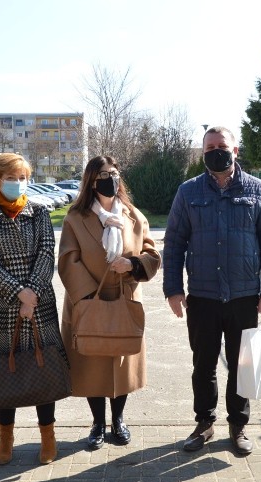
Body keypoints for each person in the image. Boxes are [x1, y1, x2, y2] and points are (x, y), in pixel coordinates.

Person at [163, 126, 261, 455]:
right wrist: (173, 289)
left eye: (222, 146)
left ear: (235, 150)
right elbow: (173, 244)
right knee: (203, 365)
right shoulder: (188, 192)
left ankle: (239, 424)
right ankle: (204, 423)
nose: (217, 151)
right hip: (202, 296)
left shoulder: (257, 190)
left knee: (243, 364)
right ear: (202, 154)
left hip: (244, 295)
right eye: (210, 148)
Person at [58, 156, 160, 450]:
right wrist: (90, 297)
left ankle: (118, 420)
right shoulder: (76, 218)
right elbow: (68, 260)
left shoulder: (133, 215)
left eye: (115, 173)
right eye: (104, 174)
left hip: (124, 300)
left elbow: (152, 255)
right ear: (92, 180)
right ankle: (97, 424)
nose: (111, 179)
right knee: (92, 364)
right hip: (88, 302)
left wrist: (131, 265)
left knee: (120, 363)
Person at [0, 153, 65, 465]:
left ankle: (47, 436)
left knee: (44, 369)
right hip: (2, 305)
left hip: (40, 304)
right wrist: (18, 294)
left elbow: (46, 253)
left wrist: (33, 293)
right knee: (6, 370)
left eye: (22, 177)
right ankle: (5, 437)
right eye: (11, 178)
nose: (17, 183)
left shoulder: (39, 212)